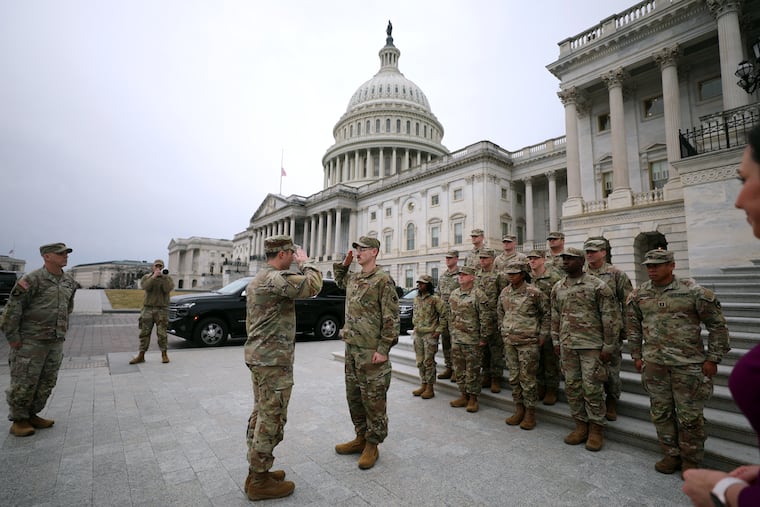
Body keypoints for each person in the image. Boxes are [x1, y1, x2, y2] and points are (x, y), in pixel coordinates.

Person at [682, 124, 760, 506]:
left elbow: (717, 325)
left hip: (686, 363)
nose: (737, 199)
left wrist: (726, 493)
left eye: (746, 179)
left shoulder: (699, 293)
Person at [627, 249, 729, 477]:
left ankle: (691, 460)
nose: (651, 269)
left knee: (689, 416)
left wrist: (713, 358)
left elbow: (717, 326)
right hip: (654, 364)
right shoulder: (639, 295)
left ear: (671, 265)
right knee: (661, 412)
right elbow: (633, 328)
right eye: (649, 266)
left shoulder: (693, 292)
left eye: (657, 265)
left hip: (688, 365)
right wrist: (636, 355)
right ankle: (671, 454)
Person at [243, 236, 322, 501]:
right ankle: (259, 480)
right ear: (283, 254)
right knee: (271, 418)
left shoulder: (261, 277)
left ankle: (258, 470)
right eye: (292, 253)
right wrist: (307, 263)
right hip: (272, 361)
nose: (294, 256)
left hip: (262, 358)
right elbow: (312, 287)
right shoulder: (275, 278)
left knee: (261, 413)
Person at [333, 236, 400, 470]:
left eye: (362, 249)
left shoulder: (383, 280)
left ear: (374, 252)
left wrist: (383, 349)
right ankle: (360, 437)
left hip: (371, 352)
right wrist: (344, 263)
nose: (358, 252)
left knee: (374, 400)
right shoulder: (354, 277)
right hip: (352, 348)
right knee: (354, 397)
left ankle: (373, 444)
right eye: (356, 249)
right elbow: (339, 280)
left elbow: (392, 318)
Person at [1, 242, 77, 437]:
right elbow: (13, 309)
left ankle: (32, 414)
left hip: (54, 341)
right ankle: (19, 420)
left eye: (66, 253)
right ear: (47, 256)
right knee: (24, 380)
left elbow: (68, 308)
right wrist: (13, 337)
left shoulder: (69, 282)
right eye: (60, 254)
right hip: (31, 341)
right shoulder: (32, 280)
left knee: (47, 381)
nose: (65, 256)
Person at [551, 247, 619, 451]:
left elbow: (610, 317)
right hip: (568, 345)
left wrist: (608, 346)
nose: (565, 262)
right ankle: (580, 425)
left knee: (592, 388)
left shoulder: (597, 286)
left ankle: (596, 428)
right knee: (572, 387)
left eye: (570, 259)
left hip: (591, 346)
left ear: (581, 262)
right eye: (563, 259)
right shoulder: (558, 287)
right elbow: (555, 315)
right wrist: (556, 341)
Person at [584, 237, 632, 421]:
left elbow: (627, 303)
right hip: (586, 331)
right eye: (587, 251)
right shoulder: (580, 273)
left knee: (611, 370)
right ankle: (593, 403)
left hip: (610, 331)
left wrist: (626, 329)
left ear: (603, 252)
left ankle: (612, 400)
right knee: (590, 372)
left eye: (593, 251)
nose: (589, 254)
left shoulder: (616, 274)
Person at [498, 260, 549, 430]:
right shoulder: (504, 292)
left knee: (528, 379)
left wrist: (542, 335)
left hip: (528, 343)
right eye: (509, 274)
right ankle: (519, 408)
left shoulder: (534, 292)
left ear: (523, 274)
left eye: (515, 274)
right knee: (514, 377)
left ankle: (530, 413)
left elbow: (546, 314)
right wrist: (503, 329)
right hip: (510, 341)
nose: (511, 277)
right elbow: (500, 313)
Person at [448, 266, 491, 413]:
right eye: (460, 274)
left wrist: (484, 337)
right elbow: (450, 316)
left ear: (472, 277)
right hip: (457, 338)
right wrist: (452, 332)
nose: (461, 277)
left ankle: (473, 398)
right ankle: (463, 395)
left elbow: (485, 318)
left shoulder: (479, 295)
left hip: (472, 340)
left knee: (472, 370)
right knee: (459, 370)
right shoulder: (454, 294)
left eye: (464, 275)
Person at [526, 249, 562, 405]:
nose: (532, 261)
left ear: (543, 260)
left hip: (550, 322)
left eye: (535, 258)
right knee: (536, 357)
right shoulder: (527, 278)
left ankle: (552, 389)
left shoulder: (554, 278)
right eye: (530, 259)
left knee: (550, 358)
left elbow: (559, 301)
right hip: (530, 323)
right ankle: (540, 385)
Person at [129, 259, 174, 364]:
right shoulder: (147, 277)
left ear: (163, 267)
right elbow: (145, 287)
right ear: (153, 267)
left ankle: (164, 354)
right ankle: (141, 355)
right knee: (144, 333)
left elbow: (167, 289)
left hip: (161, 309)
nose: (158, 268)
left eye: (160, 266)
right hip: (148, 309)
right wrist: (153, 277)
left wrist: (164, 278)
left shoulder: (167, 278)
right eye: (156, 266)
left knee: (162, 334)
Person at [475, 248, 507, 393]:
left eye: (485, 258)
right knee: (483, 350)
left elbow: (504, 297)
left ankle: (496, 378)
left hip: (494, 318)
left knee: (496, 351)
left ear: (492, 259)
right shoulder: (476, 276)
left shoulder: (500, 276)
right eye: (481, 258)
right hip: (480, 319)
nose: (482, 260)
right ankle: (486, 375)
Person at [411, 274, 447, 399]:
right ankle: (423, 384)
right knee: (420, 361)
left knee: (429, 361)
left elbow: (444, 314)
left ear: (429, 285)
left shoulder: (435, 299)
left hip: (430, 335)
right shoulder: (416, 299)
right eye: (419, 283)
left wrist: (439, 329)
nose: (420, 285)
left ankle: (430, 388)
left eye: (423, 283)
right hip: (418, 334)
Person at [436, 250, 460, 381]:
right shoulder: (443, 276)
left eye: (450, 258)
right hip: (444, 315)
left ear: (456, 259)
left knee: (455, 343)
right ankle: (449, 367)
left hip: (456, 316)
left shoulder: (460, 275)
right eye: (446, 258)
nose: (448, 260)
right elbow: (438, 294)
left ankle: (457, 369)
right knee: (445, 342)